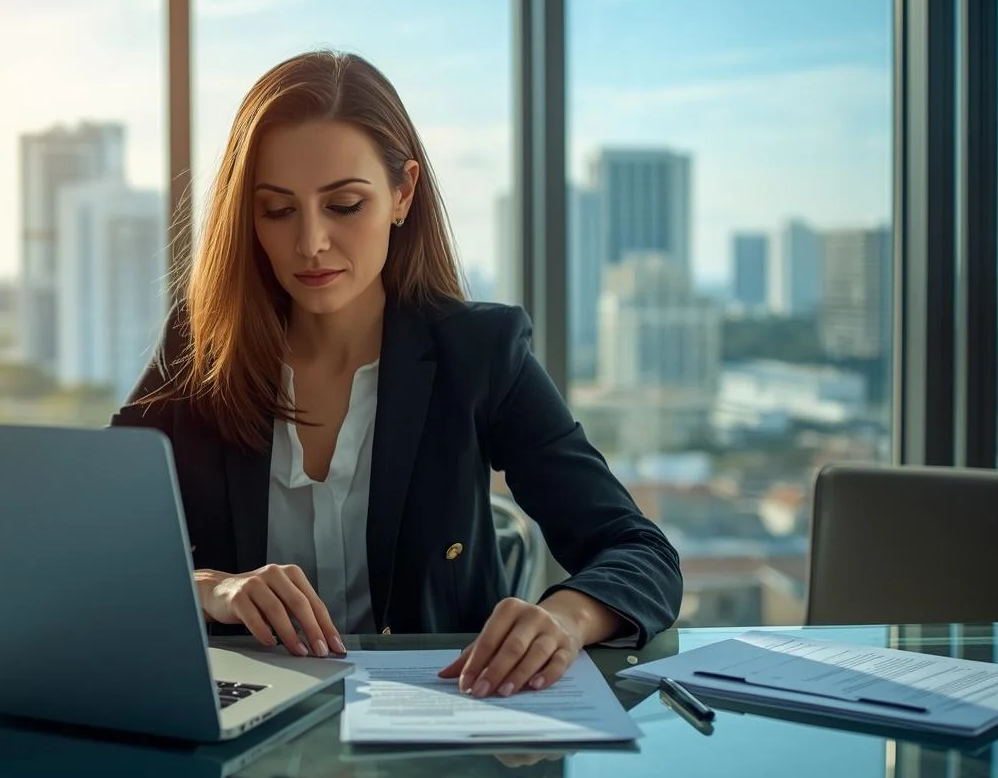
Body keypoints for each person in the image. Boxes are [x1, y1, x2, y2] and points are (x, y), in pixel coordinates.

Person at [112, 50, 681, 699]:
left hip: (435, 731)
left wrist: (564, 617)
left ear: (402, 193)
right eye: (277, 211)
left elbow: (640, 551)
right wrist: (215, 589)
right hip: (240, 729)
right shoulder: (198, 348)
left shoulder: (479, 352)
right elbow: (97, 548)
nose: (311, 243)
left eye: (345, 205)